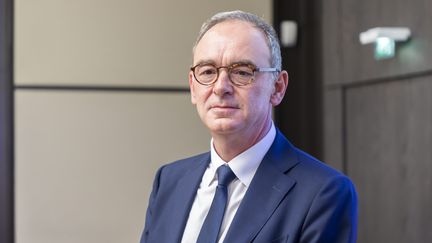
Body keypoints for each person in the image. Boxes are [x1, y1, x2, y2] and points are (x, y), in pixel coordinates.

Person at [140, 10, 357, 243]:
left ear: (278, 87)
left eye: (242, 72)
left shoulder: (323, 193)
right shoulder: (170, 180)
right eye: (208, 72)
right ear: (193, 87)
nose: (221, 87)